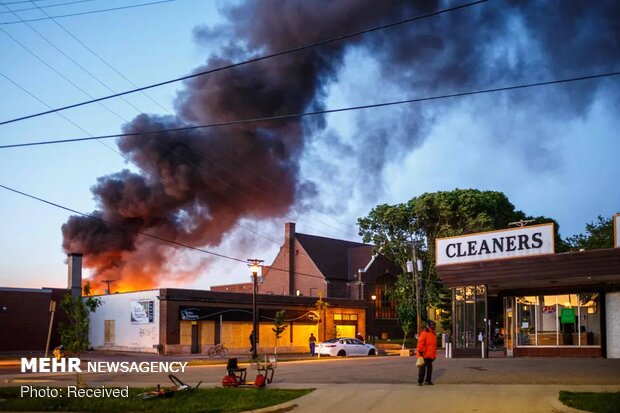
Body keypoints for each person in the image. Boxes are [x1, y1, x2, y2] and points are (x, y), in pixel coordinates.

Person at [416, 320, 438, 386]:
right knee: (422, 369)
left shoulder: (433, 334)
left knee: (429, 368)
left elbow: (434, 346)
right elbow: (420, 343)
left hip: (430, 355)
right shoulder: (424, 333)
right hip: (423, 354)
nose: (433, 326)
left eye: (434, 325)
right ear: (428, 325)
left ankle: (428, 381)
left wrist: (434, 355)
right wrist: (420, 353)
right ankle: (420, 382)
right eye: (431, 325)